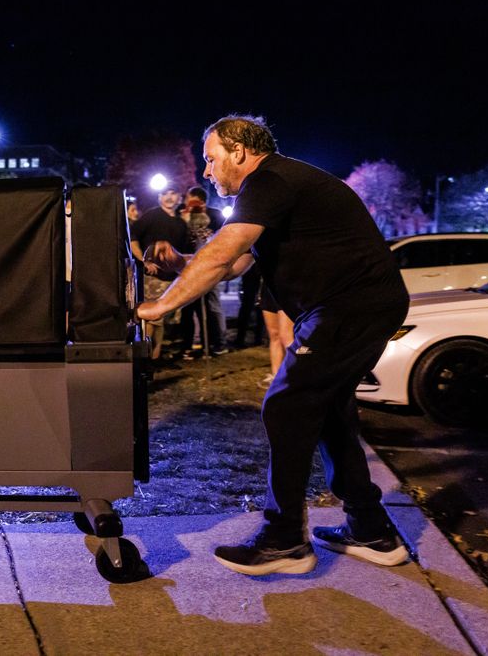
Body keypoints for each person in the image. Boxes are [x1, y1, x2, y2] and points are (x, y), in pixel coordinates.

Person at [138, 114, 410, 576]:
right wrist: (182, 264)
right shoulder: (275, 187)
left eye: (211, 158)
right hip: (353, 309)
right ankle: (372, 531)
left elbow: (225, 251)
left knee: (285, 405)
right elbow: (234, 262)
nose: (206, 171)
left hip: (349, 310)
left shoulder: (270, 179)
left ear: (239, 152)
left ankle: (285, 540)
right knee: (328, 413)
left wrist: (155, 309)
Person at [129, 183, 195, 363]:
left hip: (173, 278)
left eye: (173, 193)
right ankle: (147, 359)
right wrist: (143, 261)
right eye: (165, 193)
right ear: (159, 197)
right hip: (152, 278)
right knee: (153, 319)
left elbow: (184, 251)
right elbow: (132, 237)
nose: (169, 197)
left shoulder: (182, 223)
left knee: (164, 321)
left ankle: (155, 357)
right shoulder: (152, 215)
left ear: (179, 198)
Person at [179, 187, 228, 357]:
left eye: (191, 200)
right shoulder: (184, 214)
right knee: (189, 306)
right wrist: (185, 220)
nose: (188, 203)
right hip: (188, 266)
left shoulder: (215, 215)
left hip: (209, 265)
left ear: (201, 201)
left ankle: (219, 342)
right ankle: (193, 342)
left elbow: (222, 238)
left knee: (212, 305)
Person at [258, 280, 294, 388]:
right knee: (274, 335)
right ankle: (275, 377)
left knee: (286, 336)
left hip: (287, 286)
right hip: (268, 287)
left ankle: (295, 376)